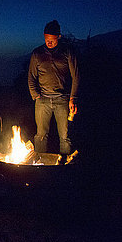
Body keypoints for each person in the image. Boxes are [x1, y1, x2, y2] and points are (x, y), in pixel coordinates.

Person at [28, 20, 79, 155]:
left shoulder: (67, 52)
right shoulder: (37, 53)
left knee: (65, 137)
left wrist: (73, 98)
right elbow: (31, 76)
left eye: (52, 40)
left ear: (59, 37)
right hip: (42, 100)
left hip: (62, 99)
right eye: (46, 39)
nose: (49, 42)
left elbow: (76, 76)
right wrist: (36, 95)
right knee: (41, 136)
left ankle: (65, 165)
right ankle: (39, 164)